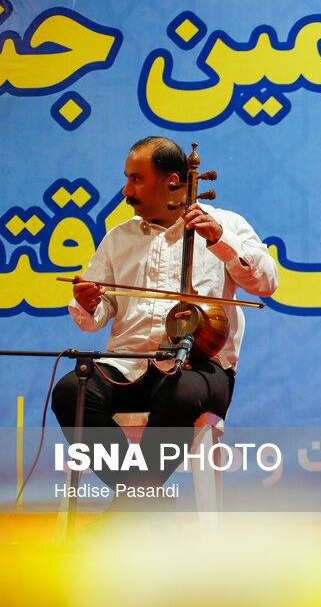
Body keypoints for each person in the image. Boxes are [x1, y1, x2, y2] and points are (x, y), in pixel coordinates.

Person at [51, 136, 278, 497]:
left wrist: (221, 240)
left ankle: (134, 500)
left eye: (136, 179)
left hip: (200, 369)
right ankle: (142, 497)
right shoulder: (117, 238)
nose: (126, 190)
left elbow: (267, 283)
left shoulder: (225, 225)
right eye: (127, 178)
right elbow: (94, 316)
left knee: (181, 391)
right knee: (70, 392)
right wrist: (91, 301)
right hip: (128, 366)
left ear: (172, 181)